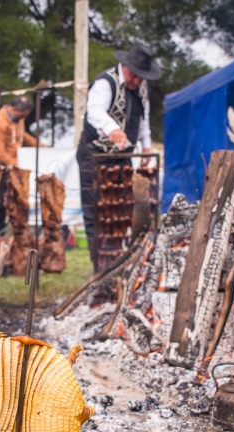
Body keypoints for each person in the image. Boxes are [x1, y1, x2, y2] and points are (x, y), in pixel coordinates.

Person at [76, 44, 161, 273]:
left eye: (141, 77)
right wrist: (112, 129)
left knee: (123, 211)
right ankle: (100, 269)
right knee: (95, 212)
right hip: (94, 154)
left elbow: (143, 122)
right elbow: (94, 112)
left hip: (122, 157)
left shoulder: (142, 89)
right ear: (124, 67)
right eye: (134, 75)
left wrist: (145, 148)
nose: (136, 82)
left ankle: (119, 264)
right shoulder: (106, 82)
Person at [0, 95, 37, 234]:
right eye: (21, 115)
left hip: (15, 164)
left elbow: (22, 135)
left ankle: (18, 231)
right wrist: (15, 163)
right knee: (1, 200)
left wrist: (37, 144)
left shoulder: (18, 119)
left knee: (19, 199)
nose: (23, 119)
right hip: (1, 166)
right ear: (14, 109)